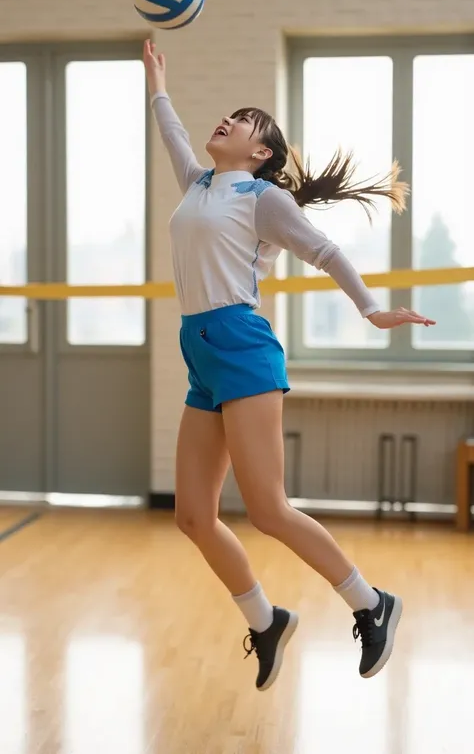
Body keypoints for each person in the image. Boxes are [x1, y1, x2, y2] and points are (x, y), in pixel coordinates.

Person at [143, 39, 435, 692]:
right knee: (192, 513)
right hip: (202, 351)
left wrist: (370, 310)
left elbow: (327, 250)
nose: (229, 118)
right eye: (229, 113)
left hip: (242, 347)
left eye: (243, 118)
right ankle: (267, 617)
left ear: (261, 152)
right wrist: (157, 81)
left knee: (268, 508)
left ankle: (371, 600)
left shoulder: (260, 198)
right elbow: (174, 135)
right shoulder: (198, 183)